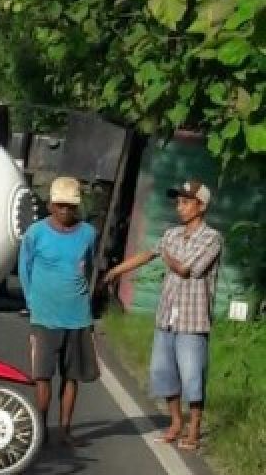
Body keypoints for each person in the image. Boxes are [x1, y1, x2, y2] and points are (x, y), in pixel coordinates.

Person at [103, 179, 222, 451]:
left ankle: (194, 429)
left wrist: (167, 256)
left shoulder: (211, 238)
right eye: (178, 202)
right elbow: (148, 254)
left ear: (201, 206)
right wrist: (117, 270)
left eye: (186, 202)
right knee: (163, 371)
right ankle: (176, 422)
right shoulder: (172, 234)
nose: (180, 207)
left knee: (192, 375)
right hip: (167, 315)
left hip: (192, 320)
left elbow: (185, 269)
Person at [19, 176, 99, 447]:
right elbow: (25, 269)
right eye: (61, 206)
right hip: (44, 315)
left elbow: (88, 267)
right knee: (42, 375)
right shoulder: (35, 234)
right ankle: (40, 427)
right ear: (51, 205)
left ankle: (65, 429)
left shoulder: (88, 233)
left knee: (71, 375)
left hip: (77, 315)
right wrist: (32, 301)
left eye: (71, 207)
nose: (66, 211)